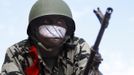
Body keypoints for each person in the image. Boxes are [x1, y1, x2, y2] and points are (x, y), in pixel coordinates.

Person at [1, 0, 102, 75]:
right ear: (35, 29)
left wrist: (93, 68)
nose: (54, 28)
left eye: (60, 22)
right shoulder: (17, 53)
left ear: (67, 28)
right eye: (46, 22)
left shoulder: (78, 47)